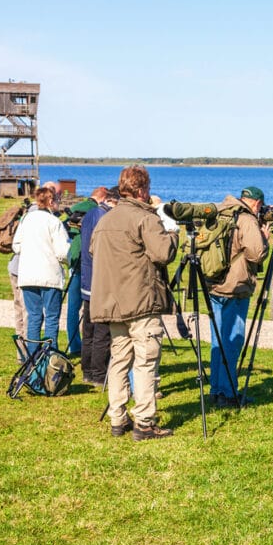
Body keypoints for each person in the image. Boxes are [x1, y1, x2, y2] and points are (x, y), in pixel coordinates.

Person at [90, 166, 178, 440]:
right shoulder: (143, 218)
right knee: (146, 361)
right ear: (142, 190)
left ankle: (118, 417)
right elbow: (164, 253)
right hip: (140, 300)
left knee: (119, 359)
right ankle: (145, 421)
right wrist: (172, 230)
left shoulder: (105, 219)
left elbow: (94, 251)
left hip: (113, 302)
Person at [207, 186, 269, 407]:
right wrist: (265, 239)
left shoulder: (219, 211)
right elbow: (256, 253)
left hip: (214, 282)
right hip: (235, 286)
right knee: (232, 341)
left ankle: (216, 388)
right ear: (257, 203)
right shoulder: (246, 219)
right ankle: (228, 391)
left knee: (218, 341)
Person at [12, 185, 70, 356]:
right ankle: (49, 358)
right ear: (51, 201)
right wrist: (68, 260)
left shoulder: (26, 220)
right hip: (50, 276)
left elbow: (16, 246)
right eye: (57, 200)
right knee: (52, 319)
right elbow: (62, 251)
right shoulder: (54, 222)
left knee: (34, 318)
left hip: (28, 275)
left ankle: (32, 359)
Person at [78, 186, 117, 385]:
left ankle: (87, 370)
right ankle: (99, 374)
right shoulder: (105, 218)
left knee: (89, 330)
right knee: (102, 331)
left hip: (86, 278)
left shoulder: (90, 214)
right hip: (100, 280)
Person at [63, 190, 101, 356]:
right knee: (90, 305)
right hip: (89, 262)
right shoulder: (96, 212)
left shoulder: (77, 207)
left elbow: (64, 227)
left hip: (74, 260)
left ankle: (74, 345)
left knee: (73, 307)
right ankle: (91, 343)